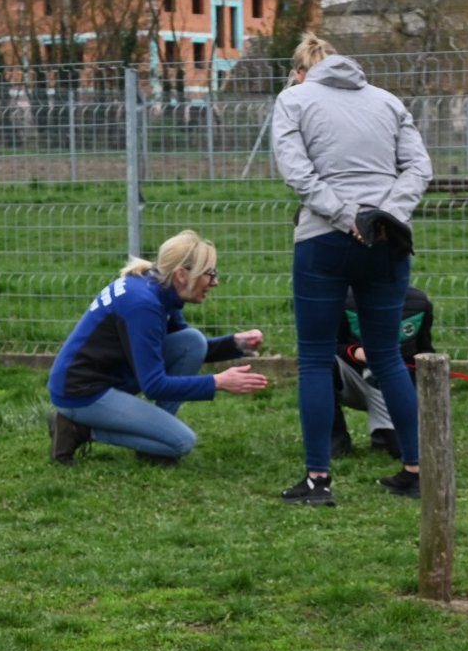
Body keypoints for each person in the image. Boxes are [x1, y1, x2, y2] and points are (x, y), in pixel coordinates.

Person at [271, 31, 432, 505]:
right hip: (387, 241)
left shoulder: (293, 100)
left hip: (323, 238)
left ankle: (318, 481)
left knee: (316, 359)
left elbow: (297, 172)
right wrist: (385, 215)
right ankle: (416, 469)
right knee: (386, 355)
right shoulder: (387, 101)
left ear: (303, 70)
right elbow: (419, 169)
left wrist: (346, 216)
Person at [47, 230, 267, 466]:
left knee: (192, 341)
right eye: (209, 273)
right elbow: (154, 385)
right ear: (182, 275)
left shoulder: (157, 288)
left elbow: (190, 349)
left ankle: (154, 440)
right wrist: (217, 382)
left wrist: (236, 344)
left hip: (106, 377)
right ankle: (77, 428)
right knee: (181, 442)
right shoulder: (144, 305)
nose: (215, 282)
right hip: (81, 393)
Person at [331, 285, 434, 459]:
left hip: (396, 384)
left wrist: (421, 363)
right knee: (321, 365)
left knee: (397, 451)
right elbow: (331, 345)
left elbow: (425, 349)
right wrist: (355, 352)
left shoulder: (419, 303)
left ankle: (387, 434)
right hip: (356, 379)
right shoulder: (345, 300)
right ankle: (335, 443)